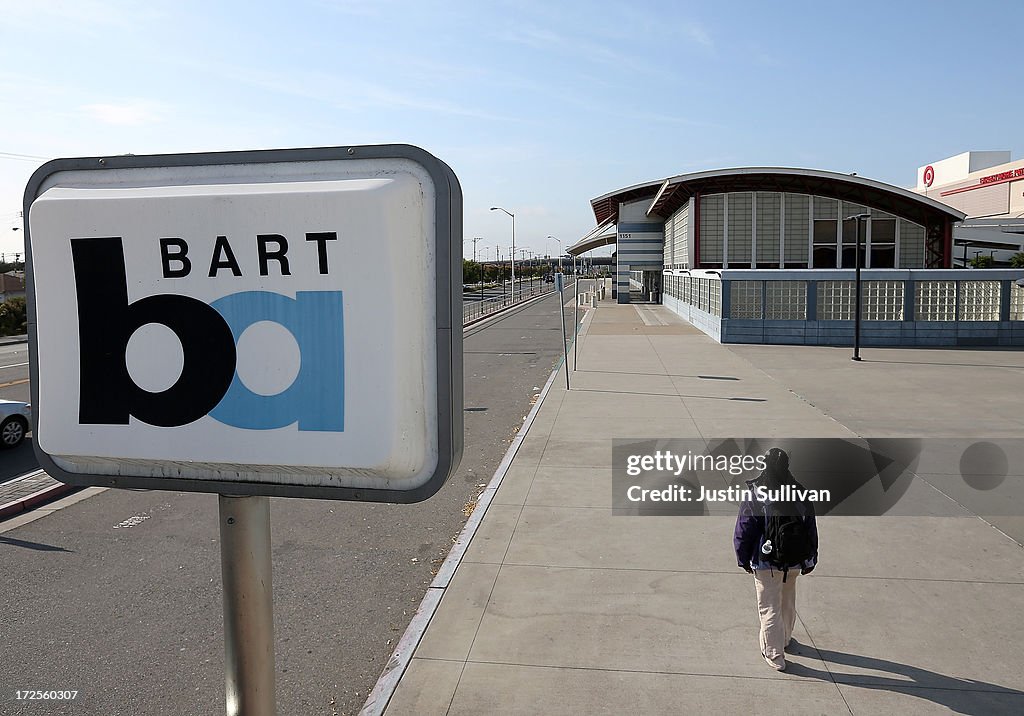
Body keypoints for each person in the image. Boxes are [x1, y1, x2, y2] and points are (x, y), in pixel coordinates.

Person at [733, 447, 818, 671]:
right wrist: (810, 559)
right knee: (788, 600)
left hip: (766, 561)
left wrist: (743, 558)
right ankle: (786, 638)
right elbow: (810, 528)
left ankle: (774, 654)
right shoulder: (800, 492)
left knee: (769, 607)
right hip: (794, 561)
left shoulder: (757, 494)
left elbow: (744, 530)